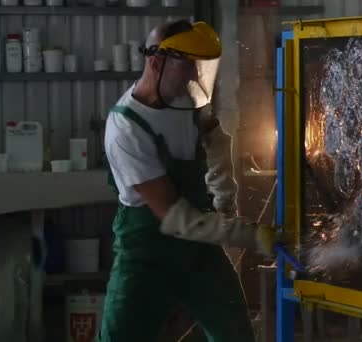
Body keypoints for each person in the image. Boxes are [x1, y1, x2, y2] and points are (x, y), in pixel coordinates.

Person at [99, 19, 275, 341]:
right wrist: (249, 236)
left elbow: (215, 142)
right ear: (156, 62)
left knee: (235, 334)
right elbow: (174, 216)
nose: (195, 75)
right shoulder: (126, 128)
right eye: (187, 66)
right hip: (147, 255)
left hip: (198, 252)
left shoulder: (185, 99)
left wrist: (224, 199)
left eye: (199, 66)